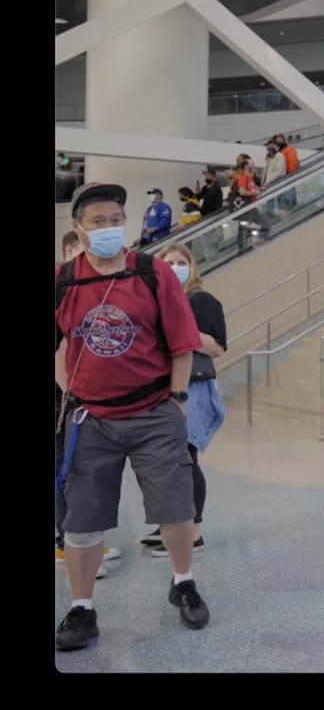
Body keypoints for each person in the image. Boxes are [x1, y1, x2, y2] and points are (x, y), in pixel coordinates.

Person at [55, 183, 209, 650]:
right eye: (97, 220)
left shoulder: (152, 272)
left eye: (116, 218)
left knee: (176, 508)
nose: (109, 227)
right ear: (78, 229)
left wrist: (178, 402)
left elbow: (183, 344)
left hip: (154, 410)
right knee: (81, 521)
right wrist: (68, 394)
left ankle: (183, 581)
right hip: (92, 420)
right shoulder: (64, 280)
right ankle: (82, 609)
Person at [145, 243, 226, 558]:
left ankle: (193, 532)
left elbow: (217, 346)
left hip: (193, 387)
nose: (176, 266)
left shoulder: (200, 300)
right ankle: (171, 523)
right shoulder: (156, 300)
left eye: (182, 262)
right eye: (170, 261)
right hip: (162, 386)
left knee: (184, 456)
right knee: (165, 460)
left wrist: (179, 327)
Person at [57, 231, 119, 577]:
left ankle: (80, 543)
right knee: (64, 475)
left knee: (75, 477)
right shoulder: (63, 287)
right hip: (68, 403)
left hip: (76, 404)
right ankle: (70, 544)